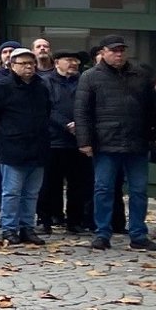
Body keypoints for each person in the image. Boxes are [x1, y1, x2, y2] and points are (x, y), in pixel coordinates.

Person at [75, 34, 156, 252]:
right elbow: (82, 112)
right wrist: (84, 141)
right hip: (105, 143)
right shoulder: (90, 77)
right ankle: (102, 233)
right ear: (103, 52)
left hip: (137, 141)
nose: (119, 54)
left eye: (122, 50)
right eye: (114, 50)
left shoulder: (140, 75)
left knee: (139, 190)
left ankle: (138, 234)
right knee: (103, 189)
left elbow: (154, 107)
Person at [0, 48, 52, 246]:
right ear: (12, 66)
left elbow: (47, 112)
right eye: (23, 64)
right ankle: (9, 228)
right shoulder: (1, 87)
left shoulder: (41, 86)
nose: (28, 67)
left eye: (31, 64)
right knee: (12, 192)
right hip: (12, 147)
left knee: (31, 193)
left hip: (38, 147)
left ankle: (27, 227)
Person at [43, 49, 92, 234]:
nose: (73, 63)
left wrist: (81, 125)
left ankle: (75, 221)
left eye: (76, 61)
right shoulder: (46, 82)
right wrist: (66, 125)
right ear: (56, 63)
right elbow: (46, 108)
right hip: (53, 140)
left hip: (79, 141)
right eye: (69, 59)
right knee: (50, 183)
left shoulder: (84, 81)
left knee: (78, 184)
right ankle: (47, 218)